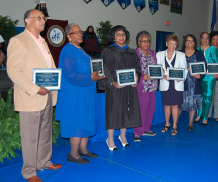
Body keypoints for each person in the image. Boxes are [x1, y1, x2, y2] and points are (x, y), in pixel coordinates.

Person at [6, 9, 62, 182]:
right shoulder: (18, 41)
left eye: (44, 18)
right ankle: (29, 171)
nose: (43, 20)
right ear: (27, 21)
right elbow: (13, 71)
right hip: (31, 96)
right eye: (38, 18)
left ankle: (44, 162)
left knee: (45, 132)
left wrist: (54, 84)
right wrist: (36, 88)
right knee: (30, 136)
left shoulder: (43, 41)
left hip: (47, 95)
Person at [55, 23, 105, 164]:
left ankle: (83, 150)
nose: (79, 34)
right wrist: (91, 77)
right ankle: (73, 154)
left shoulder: (80, 50)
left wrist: (97, 75)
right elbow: (70, 74)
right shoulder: (68, 51)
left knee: (85, 120)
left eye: (80, 31)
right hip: (74, 94)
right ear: (68, 36)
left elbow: (87, 70)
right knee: (76, 122)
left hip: (85, 93)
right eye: (75, 32)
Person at [98, 25, 142, 150]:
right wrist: (112, 82)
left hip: (129, 86)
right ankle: (110, 138)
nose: (121, 37)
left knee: (127, 110)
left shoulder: (131, 51)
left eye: (123, 34)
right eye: (118, 34)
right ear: (113, 36)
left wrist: (136, 77)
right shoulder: (108, 51)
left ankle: (123, 136)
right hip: (115, 87)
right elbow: (103, 68)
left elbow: (137, 67)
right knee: (113, 111)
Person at [156, 34, 187, 135]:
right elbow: (156, 69)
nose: (172, 45)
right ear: (166, 43)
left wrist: (180, 78)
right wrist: (162, 74)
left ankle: (174, 126)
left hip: (177, 84)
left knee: (175, 106)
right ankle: (167, 124)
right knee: (166, 106)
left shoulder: (181, 55)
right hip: (165, 84)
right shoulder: (159, 54)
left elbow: (184, 70)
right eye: (170, 43)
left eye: (174, 43)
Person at [133, 31, 158, 142]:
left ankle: (146, 128)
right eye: (144, 41)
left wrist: (159, 71)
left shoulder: (152, 52)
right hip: (142, 86)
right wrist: (142, 76)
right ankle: (137, 132)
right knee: (141, 110)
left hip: (152, 86)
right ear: (139, 42)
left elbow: (155, 66)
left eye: (148, 41)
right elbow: (132, 70)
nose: (146, 43)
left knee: (150, 109)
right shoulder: (134, 54)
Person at [179, 34, 206, 131]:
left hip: (195, 83)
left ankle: (190, 123)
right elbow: (175, 67)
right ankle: (175, 123)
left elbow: (204, 68)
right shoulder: (179, 53)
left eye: (192, 41)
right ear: (185, 42)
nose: (190, 42)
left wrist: (200, 76)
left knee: (192, 103)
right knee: (179, 104)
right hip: (181, 83)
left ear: (194, 42)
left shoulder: (199, 53)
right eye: (187, 40)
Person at [194, 32, 218, 126]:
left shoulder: (213, 49)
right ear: (200, 39)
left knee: (208, 97)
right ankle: (199, 114)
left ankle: (205, 117)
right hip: (199, 77)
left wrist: (217, 74)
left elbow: (217, 62)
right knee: (199, 96)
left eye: (207, 38)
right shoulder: (197, 50)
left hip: (210, 77)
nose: (205, 40)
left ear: (209, 39)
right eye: (203, 38)